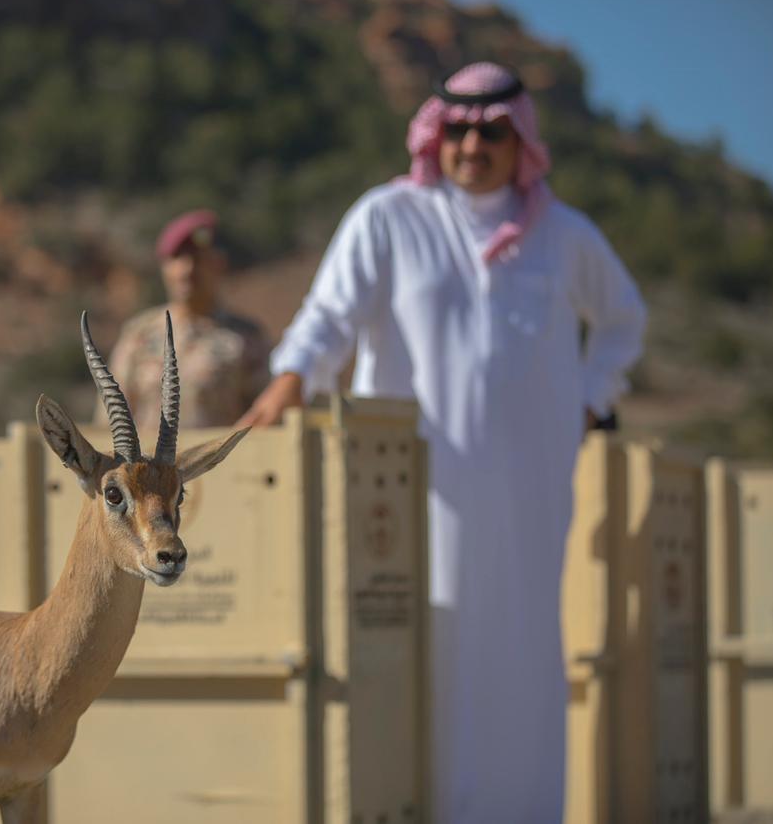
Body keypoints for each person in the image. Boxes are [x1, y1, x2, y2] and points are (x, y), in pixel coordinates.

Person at [239, 63, 646, 822]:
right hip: (409, 491)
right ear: (435, 133)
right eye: (457, 130)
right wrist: (289, 378)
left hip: (528, 492)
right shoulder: (389, 217)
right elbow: (325, 317)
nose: (471, 146)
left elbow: (625, 320)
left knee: (521, 658)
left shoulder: (563, 235)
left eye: (491, 132)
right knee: (415, 644)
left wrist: (590, 402)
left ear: (519, 140)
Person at [99, 209, 270, 431]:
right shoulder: (139, 335)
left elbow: (263, 421)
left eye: (198, 259)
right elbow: (110, 420)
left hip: (219, 464)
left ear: (218, 264)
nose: (186, 270)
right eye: (177, 259)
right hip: (147, 464)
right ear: (164, 268)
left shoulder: (245, 339)